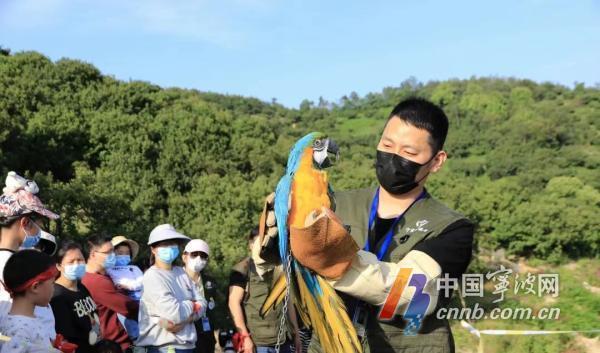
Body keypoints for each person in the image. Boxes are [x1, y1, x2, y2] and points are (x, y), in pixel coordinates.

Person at [256, 98, 475, 353]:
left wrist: (333, 260)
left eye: (409, 153)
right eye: (387, 144)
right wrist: (271, 256)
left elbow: (408, 293)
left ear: (436, 161)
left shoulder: (452, 228)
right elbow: (286, 279)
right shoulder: (335, 202)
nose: (393, 157)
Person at [0, 171, 60, 347]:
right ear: (25, 222)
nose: (40, 231)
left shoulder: (16, 261)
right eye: (39, 225)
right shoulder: (19, 267)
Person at [136, 224, 206, 353]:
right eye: (164, 244)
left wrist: (186, 318)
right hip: (163, 348)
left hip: (188, 346)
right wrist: (192, 305)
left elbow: (202, 303)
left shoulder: (181, 272)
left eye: (173, 243)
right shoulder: (153, 276)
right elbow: (174, 314)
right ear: (153, 249)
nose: (170, 248)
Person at [229, 228, 292, 353]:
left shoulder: (279, 266)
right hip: (259, 342)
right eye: (260, 242)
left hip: (283, 338)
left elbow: (287, 299)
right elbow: (233, 303)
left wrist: (294, 331)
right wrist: (245, 337)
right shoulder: (242, 269)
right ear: (251, 245)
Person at [83, 235, 139, 353]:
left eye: (113, 251)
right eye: (108, 252)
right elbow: (127, 306)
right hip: (114, 344)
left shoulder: (106, 275)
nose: (113, 255)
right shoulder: (95, 281)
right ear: (93, 254)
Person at [0, 250, 60, 353]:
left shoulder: (24, 321)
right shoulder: (21, 329)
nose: (53, 289)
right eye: (52, 283)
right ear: (35, 287)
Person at [51, 241, 102, 353]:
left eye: (80, 260)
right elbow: (66, 337)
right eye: (71, 262)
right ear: (59, 266)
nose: (77, 264)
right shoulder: (57, 296)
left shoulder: (81, 287)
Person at [182, 239, 217, 353]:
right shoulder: (175, 279)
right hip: (184, 337)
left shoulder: (210, 281)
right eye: (194, 254)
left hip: (206, 337)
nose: (199, 259)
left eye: (203, 256)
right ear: (184, 257)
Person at [106, 235, 144, 341]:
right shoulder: (109, 270)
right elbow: (115, 283)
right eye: (120, 253)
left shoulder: (134, 268)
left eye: (127, 253)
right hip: (125, 304)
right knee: (130, 324)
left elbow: (143, 281)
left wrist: (129, 285)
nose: (124, 255)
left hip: (142, 301)